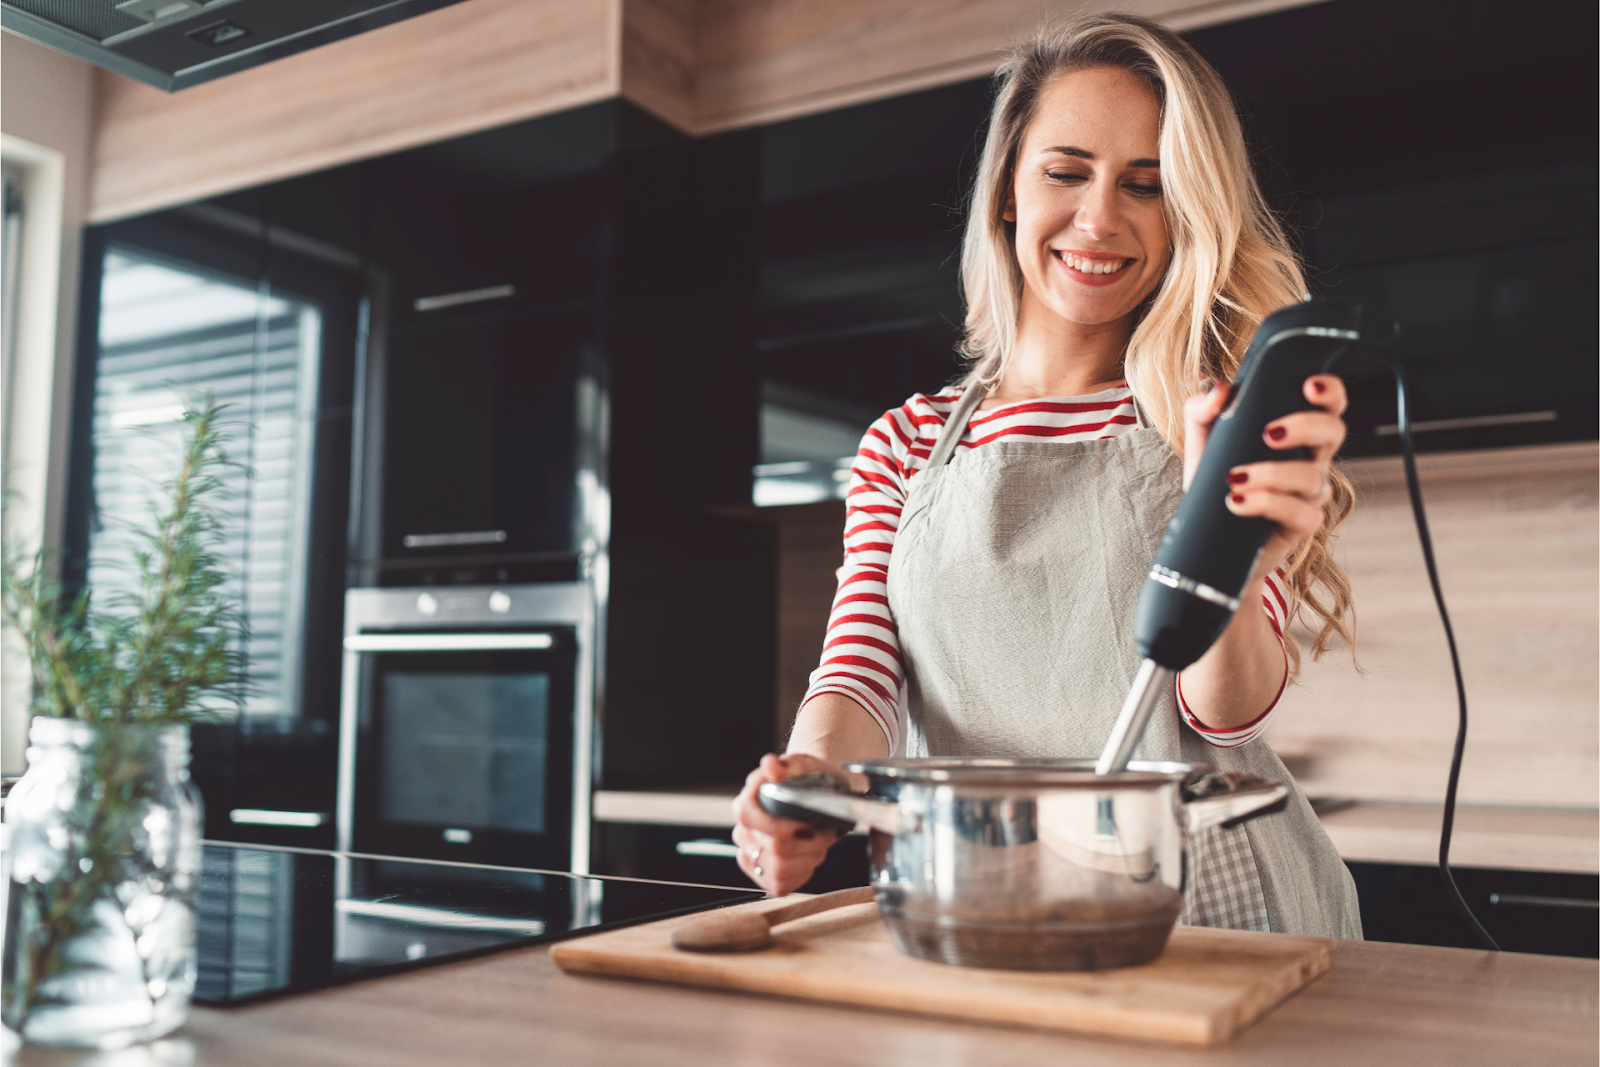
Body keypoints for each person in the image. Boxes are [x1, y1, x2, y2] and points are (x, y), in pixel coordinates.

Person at [732, 13, 1362, 938]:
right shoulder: (905, 442)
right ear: (1007, 193)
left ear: (1186, 214)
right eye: (1066, 172)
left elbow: (1224, 720)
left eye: (1146, 186)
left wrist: (1245, 563)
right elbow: (862, 669)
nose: (1099, 218)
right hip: (984, 897)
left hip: (1213, 914)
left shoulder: (1203, 417)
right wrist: (811, 782)